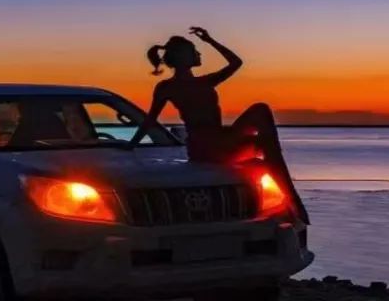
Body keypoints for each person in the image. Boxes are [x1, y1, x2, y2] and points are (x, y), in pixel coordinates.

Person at [126, 26, 309, 223]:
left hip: (220, 140)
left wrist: (209, 40)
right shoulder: (168, 87)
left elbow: (236, 63)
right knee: (265, 138)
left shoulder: (204, 81)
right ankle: (293, 201)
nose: (199, 54)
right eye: (194, 51)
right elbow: (150, 120)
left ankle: (290, 199)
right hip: (206, 146)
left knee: (261, 119)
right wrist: (131, 144)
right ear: (183, 57)